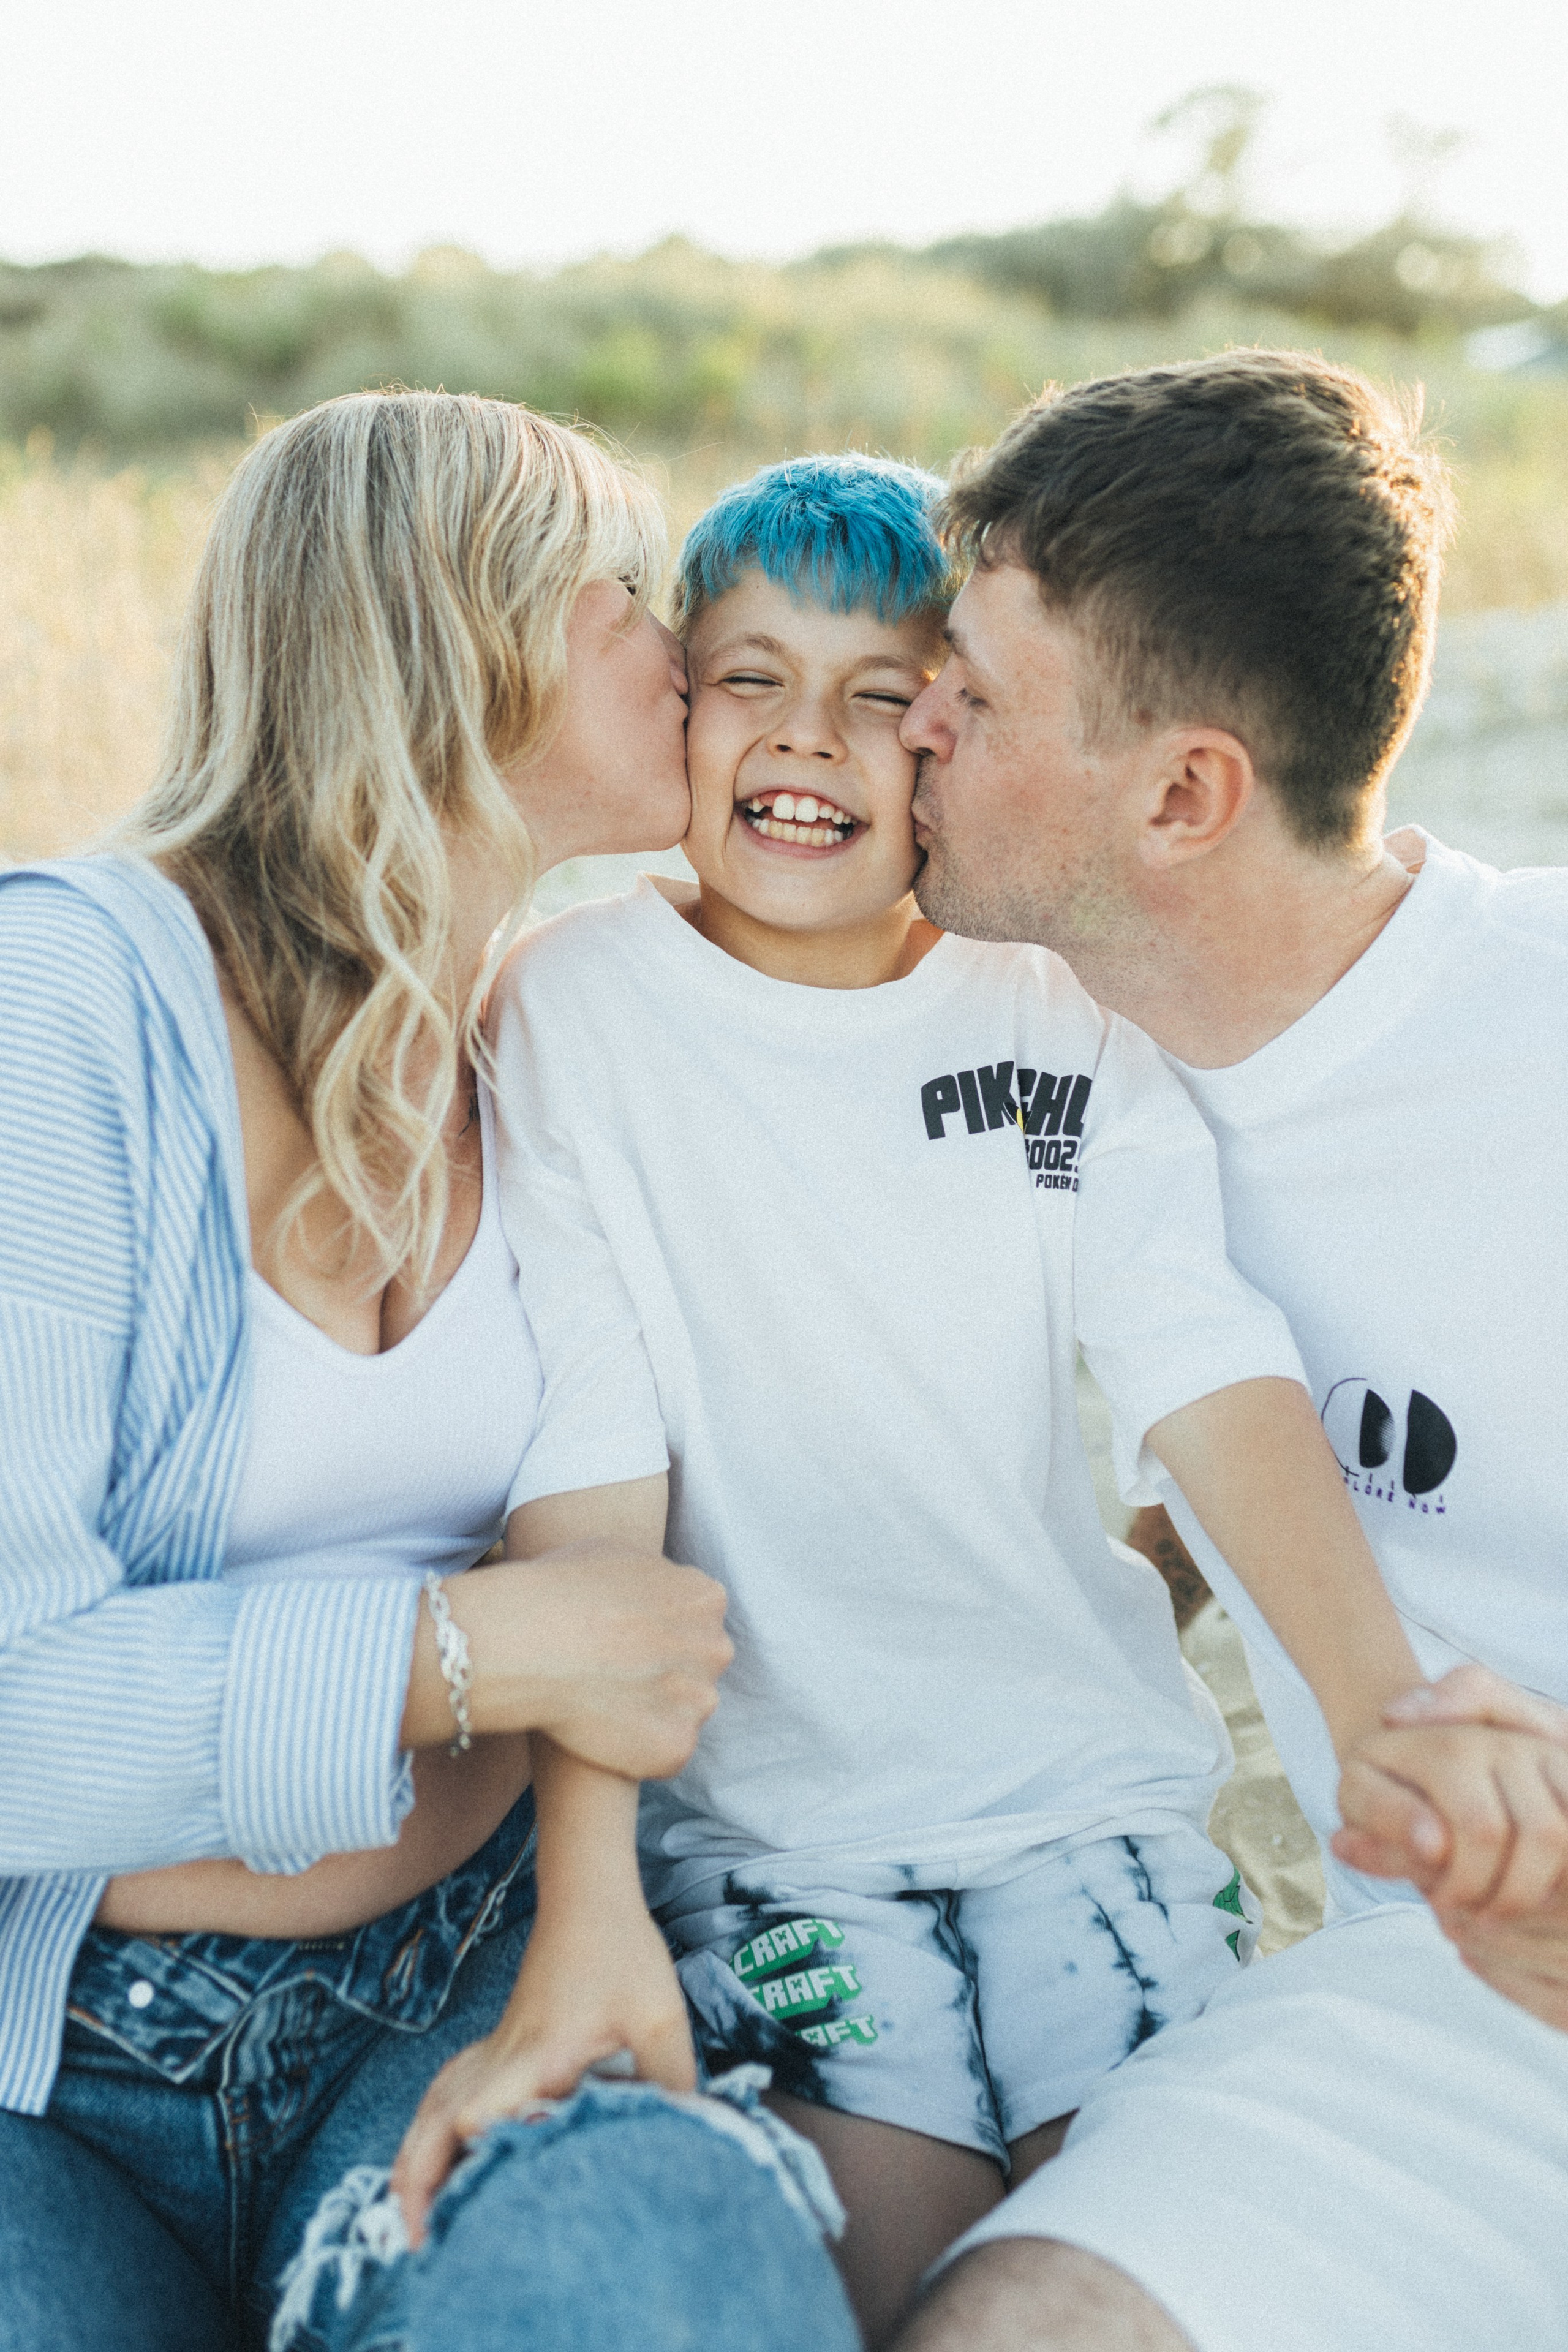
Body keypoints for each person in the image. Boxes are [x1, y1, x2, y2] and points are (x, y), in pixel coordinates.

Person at [410, 455, 1544, 2348]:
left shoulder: (1049, 1000)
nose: (816, 739)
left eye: (889, 694)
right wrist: (586, 1895)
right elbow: (589, 1475)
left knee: (1137, 2248)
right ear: (680, 707)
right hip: (780, 1841)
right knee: (872, 2288)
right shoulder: (567, 1013)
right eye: (749, 677)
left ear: (942, 742)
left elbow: (1203, 1357)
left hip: (1089, 1813)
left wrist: (1391, 1720)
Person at [0, 390, 857, 2352]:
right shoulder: (55, 1005)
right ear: (451, 630)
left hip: (482, 1972)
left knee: (664, 2296)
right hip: (56, 2062)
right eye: (623, 596)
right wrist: (468, 1653)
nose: (683, 639)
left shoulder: (557, 1039)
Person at [893, 350, 1568, 2352]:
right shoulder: (1033, 1055)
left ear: (1185, 795)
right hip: (1441, 1989)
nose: (911, 721)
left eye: (978, 696)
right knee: (1018, 2325)